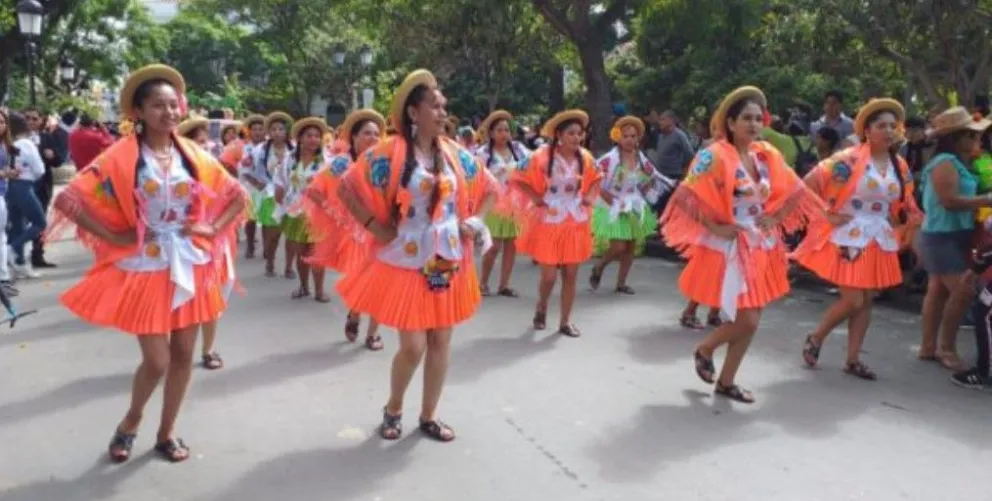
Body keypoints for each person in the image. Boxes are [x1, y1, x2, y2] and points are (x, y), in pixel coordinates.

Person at [47, 64, 247, 462]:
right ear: (137, 112)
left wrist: (210, 227)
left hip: (188, 263)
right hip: (145, 267)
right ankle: (131, 422)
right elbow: (68, 199)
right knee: (157, 361)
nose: (169, 113)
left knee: (185, 356)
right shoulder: (121, 156)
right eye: (158, 105)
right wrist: (116, 236)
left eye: (174, 105)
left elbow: (238, 195)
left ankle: (167, 432)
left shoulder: (193, 154)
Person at [333, 70, 495, 442]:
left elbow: (489, 188)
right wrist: (375, 226)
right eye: (434, 106)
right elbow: (346, 188)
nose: (442, 112)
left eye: (443, 107)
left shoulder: (455, 154)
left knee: (440, 340)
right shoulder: (388, 153)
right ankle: (393, 408)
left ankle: (429, 415)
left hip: (446, 259)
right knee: (413, 345)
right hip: (406, 259)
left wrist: (474, 220)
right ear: (413, 112)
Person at [661, 86, 822, 403]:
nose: (753, 124)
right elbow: (687, 195)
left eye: (757, 118)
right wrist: (714, 226)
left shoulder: (766, 154)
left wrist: (775, 218)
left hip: (762, 246)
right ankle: (705, 349)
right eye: (746, 118)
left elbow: (796, 190)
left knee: (751, 322)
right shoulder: (714, 154)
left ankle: (727, 381)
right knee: (745, 319)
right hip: (731, 248)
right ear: (730, 123)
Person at [795, 99, 922, 380]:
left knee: (865, 301)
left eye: (893, 125)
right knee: (853, 300)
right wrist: (827, 214)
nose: (889, 131)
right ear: (867, 130)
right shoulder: (847, 159)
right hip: (849, 237)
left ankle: (852, 359)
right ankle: (816, 337)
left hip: (878, 238)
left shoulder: (898, 164)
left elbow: (906, 199)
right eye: (881, 126)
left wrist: (911, 217)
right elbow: (807, 185)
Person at [510, 110, 601, 337]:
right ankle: (541, 307)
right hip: (549, 218)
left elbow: (598, 178)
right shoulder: (541, 155)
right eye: (571, 133)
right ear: (559, 134)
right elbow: (517, 177)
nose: (576, 138)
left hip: (575, 219)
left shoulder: (586, 157)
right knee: (549, 276)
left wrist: (590, 196)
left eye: (579, 134)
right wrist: (536, 197)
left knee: (571, 274)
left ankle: (565, 321)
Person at [916, 107, 992, 370]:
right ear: (956, 137)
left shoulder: (957, 162)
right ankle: (946, 348)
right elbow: (949, 202)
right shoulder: (945, 163)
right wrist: (985, 200)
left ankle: (929, 346)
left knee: (937, 291)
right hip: (941, 236)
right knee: (962, 291)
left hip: (952, 234)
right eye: (971, 135)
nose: (976, 140)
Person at [305, 109, 387, 350]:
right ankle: (354, 312)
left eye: (375, 134)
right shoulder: (342, 163)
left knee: (381, 280)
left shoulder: (384, 162)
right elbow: (315, 190)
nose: (372, 138)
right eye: (366, 133)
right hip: (356, 234)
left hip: (382, 230)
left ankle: (373, 333)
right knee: (363, 279)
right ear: (354, 137)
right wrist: (336, 213)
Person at [590, 115, 672, 293]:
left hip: (633, 204)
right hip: (612, 204)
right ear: (618, 137)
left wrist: (658, 186)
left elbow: (653, 176)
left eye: (633, 136)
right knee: (618, 245)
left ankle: (621, 283)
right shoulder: (609, 159)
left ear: (638, 138)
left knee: (631, 246)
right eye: (626, 136)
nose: (629, 140)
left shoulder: (641, 158)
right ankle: (599, 266)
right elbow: (594, 180)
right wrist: (611, 201)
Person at [475, 110, 531, 297]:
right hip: (493, 203)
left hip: (515, 203)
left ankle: (504, 284)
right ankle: (482, 283)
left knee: (511, 245)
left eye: (506, 130)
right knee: (493, 246)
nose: (504, 134)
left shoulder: (519, 149)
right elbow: (475, 176)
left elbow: (532, 162)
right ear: (491, 133)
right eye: (499, 130)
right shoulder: (482, 153)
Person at [274, 117, 330, 301]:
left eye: (316, 136)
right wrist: (279, 191)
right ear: (300, 138)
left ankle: (319, 290)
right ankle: (304, 286)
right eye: (309, 135)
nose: (313, 139)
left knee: (316, 252)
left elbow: (336, 184)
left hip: (318, 212)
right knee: (301, 252)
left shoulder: (327, 160)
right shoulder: (290, 159)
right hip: (294, 211)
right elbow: (280, 179)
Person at [246, 112, 294, 277]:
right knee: (273, 233)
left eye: (281, 129)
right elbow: (244, 168)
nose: (277, 132)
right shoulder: (260, 150)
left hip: (292, 197)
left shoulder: (295, 149)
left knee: (291, 235)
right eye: (273, 129)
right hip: (270, 195)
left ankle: (289, 267)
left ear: (286, 131)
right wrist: (257, 183)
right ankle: (270, 262)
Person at [219, 114, 266, 258]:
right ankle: (250, 245)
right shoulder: (244, 148)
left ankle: (267, 248)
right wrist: (255, 182)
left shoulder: (269, 147)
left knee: (266, 221)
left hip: (267, 188)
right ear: (249, 132)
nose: (258, 132)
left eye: (260, 129)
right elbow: (240, 169)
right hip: (250, 187)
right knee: (251, 219)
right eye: (255, 129)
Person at [6, 112, 48, 279]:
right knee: (40, 222)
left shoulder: (8, 143)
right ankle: (11, 249)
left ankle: (20, 263)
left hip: (10, 186)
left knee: (17, 225)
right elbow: (39, 169)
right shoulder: (27, 143)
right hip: (25, 185)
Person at [22, 107, 64, 268]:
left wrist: (52, 156)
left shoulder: (46, 138)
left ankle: (37, 255)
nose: (31, 122)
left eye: (34, 118)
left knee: (40, 220)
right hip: (22, 186)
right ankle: (14, 254)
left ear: (41, 121)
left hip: (42, 185)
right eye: (27, 118)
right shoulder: (14, 138)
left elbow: (58, 160)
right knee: (20, 220)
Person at [647, 110, 695, 179]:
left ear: (671, 121)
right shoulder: (660, 136)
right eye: (660, 120)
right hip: (661, 174)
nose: (660, 122)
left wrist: (684, 170)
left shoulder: (679, 135)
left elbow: (689, 154)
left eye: (662, 119)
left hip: (674, 175)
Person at [0, 111, 17, 296]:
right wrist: (5, 174)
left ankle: (3, 278)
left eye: (3, 122)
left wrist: (8, 172)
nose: (1, 125)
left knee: (2, 238)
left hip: (2, 194)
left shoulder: (4, 145)